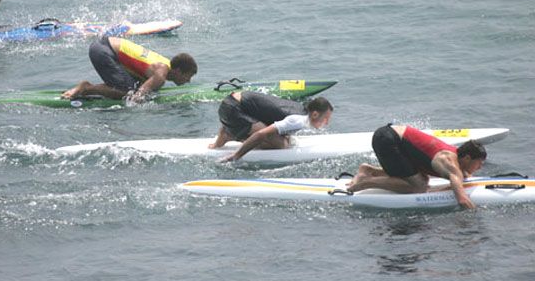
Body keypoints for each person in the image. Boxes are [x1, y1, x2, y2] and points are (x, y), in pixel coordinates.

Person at [347, 124, 488, 209]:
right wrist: (476, 218)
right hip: (388, 140)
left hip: (389, 137)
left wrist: (436, 189)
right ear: (467, 158)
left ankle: (369, 170)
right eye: (479, 163)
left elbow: (461, 177)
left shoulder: (455, 156)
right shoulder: (450, 164)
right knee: (419, 186)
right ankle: (366, 183)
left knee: (421, 178)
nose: (480, 167)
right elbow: (462, 200)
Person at [62, 36, 197, 103]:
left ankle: (92, 88)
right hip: (103, 51)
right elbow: (137, 97)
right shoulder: (161, 74)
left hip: (103, 46)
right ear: (179, 71)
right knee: (127, 92)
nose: (188, 81)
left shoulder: (165, 65)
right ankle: (86, 88)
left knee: (132, 86)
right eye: (188, 76)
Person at [209, 91, 333, 162]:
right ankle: (229, 134)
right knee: (280, 144)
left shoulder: (300, 108)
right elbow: (260, 134)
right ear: (315, 114)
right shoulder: (299, 120)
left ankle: (229, 131)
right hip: (233, 110)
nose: (327, 123)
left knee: (283, 137)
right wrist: (236, 156)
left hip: (231, 104)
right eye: (326, 119)